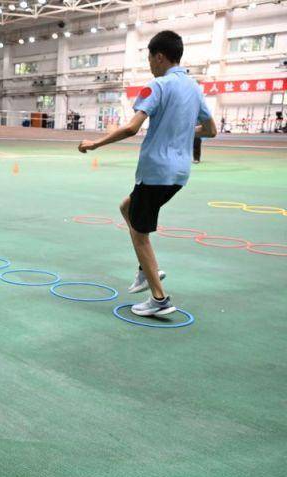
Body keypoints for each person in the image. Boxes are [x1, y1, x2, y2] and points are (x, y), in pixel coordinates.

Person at [78, 30, 216, 317]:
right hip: (179, 174)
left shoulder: (158, 86)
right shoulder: (194, 88)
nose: (150, 64)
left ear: (160, 56)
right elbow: (211, 130)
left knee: (140, 234)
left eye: (150, 58)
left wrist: (95, 144)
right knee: (127, 207)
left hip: (156, 172)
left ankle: (159, 298)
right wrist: (180, 132)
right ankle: (145, 270)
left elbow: (131, 127)